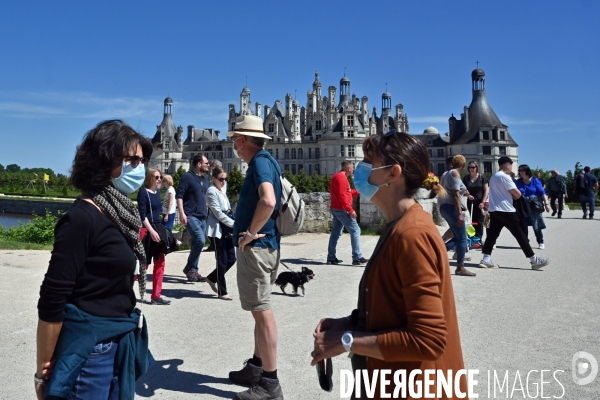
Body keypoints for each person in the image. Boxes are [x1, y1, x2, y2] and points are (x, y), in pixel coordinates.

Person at [310, 130, 467, 399]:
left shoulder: (412, 234)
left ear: (392, 173)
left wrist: (346, 341)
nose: (360, 170)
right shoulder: (399, 225)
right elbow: (393, 308)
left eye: (368, 162)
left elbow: (427, 341)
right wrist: (349, 323)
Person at [35, 120, 152, 399]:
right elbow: (53, 297)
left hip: (117, 343)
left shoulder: (119, 213)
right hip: (90, 354)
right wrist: (43, 374)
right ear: (104, 160)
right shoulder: (82, 218)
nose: (139, 168)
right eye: (132, 160)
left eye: (142, 160)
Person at [226, 115, 284, 400]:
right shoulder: (268, 161)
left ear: (242, 140)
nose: (233, 144)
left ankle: (270, 384)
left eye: (234, 138)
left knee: (263, 314)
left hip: (257, 250)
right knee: (259, 312)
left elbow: (268, 200)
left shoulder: (260, 162)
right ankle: (256, 367)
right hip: (268, 247)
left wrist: (249, 233)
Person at [478, 156, 551, 270]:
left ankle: (486, 259)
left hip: (495, 210)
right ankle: (534, 260)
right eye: (511, 165)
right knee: (520, 234)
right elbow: (517, 194)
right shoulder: (505, 177)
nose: (511, 168)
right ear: (507, 165)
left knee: (492, 235)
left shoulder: (493, 177)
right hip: (507, 210)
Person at [438, 155, 476, 276]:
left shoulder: (445, 174)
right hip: (452, 208)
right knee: (462, 238)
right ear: (463, 165)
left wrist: (463, 193)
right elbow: (454, 194)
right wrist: (460, 213)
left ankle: (437, 254)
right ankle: (460, 267)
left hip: (444, 207)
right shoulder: (455, 174)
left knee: (456, 235)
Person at [138, 168, 171, 305]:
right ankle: (124, 290)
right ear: (150, 178)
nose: (159, 180)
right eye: (157, 177)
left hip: (157, 228)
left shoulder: (157, 193)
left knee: (160, 262)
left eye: (160, 177)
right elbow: (143, 215)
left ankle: (156, 295)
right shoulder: (143, 193)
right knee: (142, 264)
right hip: (147, 229)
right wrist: (151, 231)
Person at [326, 160, 369, 266]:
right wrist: (350, 210)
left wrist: (360, 192)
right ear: (349, 168)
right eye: (353, 168)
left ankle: (331, 258)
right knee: (355, 231)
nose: (353, 170)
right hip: (341, 209)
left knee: (335, 233)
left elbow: (347, 192)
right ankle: (357, 257)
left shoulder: (338, 176)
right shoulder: (341, 178)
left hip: (336, 208)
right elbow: (342, 195)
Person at [176, 154, 210, 282]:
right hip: (190, 215)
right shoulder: (187, 177)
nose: (208, 165)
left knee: (198, 243)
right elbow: (179, 195)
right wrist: (182, 213)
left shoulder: (205, 179)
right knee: (200, 240)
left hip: (202, 216)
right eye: (206, 163)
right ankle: (190, 267)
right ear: (199, 164)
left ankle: (193, 271)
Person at [205, 167, 236, 301]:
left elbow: (227, 211)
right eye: (221, 179)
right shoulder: (211, 191)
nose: (224, 181)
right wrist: (235, 224)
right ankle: (222, 291)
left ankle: (212, 277)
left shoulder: (222, 189)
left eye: (225, 179)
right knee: (222, 260)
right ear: (213, 179)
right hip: (218, 229)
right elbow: (218, 214)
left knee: (232, 259)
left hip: (227, 228)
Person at [516, 164, 551, 250]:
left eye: (523, 170)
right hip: (523, 205)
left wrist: (547, 204)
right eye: (520, 170)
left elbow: (542, 193)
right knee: (523, 225)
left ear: (527, 171)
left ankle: (541, 241)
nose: (521, 172)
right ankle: (525, 243)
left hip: (534, 206)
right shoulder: (518, 182)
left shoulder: (535, 181)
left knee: (536, 225)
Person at [462, 160, 489, 240]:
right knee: (470, 220)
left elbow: (486, 190)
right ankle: (471, 236)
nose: (471, 169)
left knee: (480, 220)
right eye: (470, 167)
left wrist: (483, 202)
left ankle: (479, 238)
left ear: (476, 168)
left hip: (480, 202)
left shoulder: (482, 178)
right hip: (471, 201)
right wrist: (468, 195)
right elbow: (463, 190)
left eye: (473, 167)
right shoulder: (466, 178)